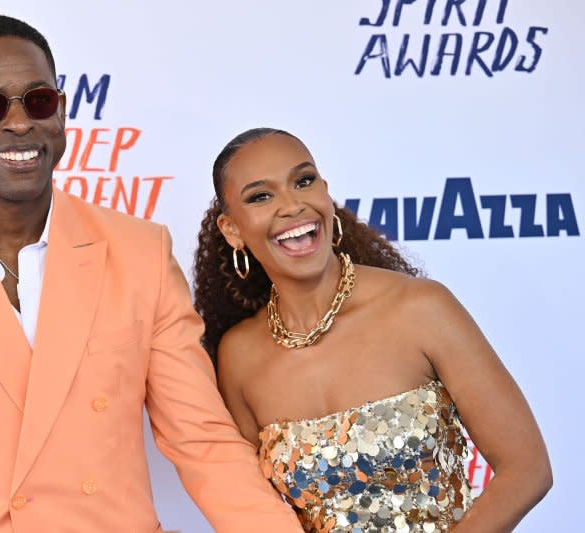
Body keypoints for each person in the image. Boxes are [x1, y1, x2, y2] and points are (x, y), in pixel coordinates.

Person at [0, 17, 303, 533]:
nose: (21, 123)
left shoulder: (139, 255)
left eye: (39, 100)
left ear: (62, 112)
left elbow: (204, 445)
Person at [193, 127, 552, 532]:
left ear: (325, 194)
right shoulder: (238, 355)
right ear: (232, 229)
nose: (292, 205)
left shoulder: (421, 308)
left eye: (304, 181)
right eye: (261, 196)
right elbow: (249, 508)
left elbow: (527, 469)